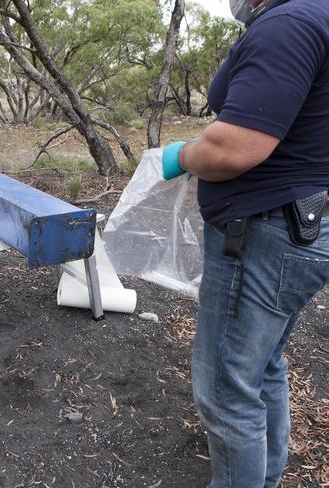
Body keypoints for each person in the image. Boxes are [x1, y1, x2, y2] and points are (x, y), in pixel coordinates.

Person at [160, 0, 329, 486]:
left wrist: (186, 154)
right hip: (302, 228)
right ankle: (266, 477)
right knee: (263, 365)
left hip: (264, 233)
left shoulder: (288, 25)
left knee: (226, 387)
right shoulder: (314, 16)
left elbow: (236, 148)